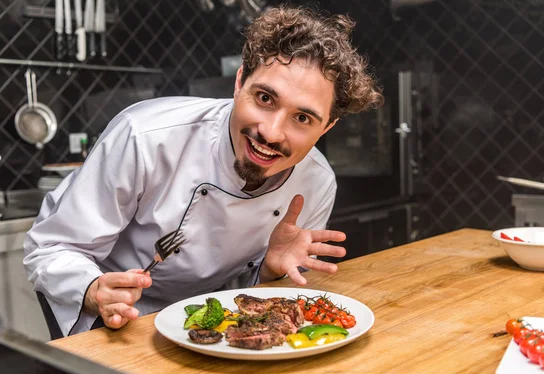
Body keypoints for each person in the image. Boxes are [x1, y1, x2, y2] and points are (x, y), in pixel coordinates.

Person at [24, 4, 384, 337]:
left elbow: (259, 305)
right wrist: (91, 289)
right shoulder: (146, 137)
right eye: (264, 98)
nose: (271, 133)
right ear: (239, 81)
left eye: (302, 118)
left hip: (217, 330)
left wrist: (270, 272)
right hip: (117, 323)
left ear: (327, 127)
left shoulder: (316, 183)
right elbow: (52, 248)